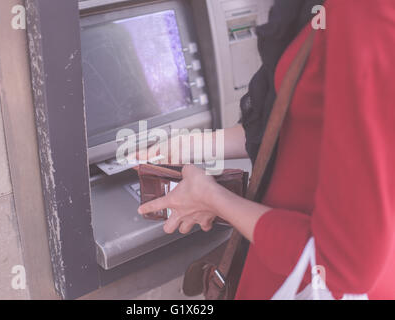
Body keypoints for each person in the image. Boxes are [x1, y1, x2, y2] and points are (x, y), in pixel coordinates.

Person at [136, 0, 395, 299]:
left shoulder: (367, 12)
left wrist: (212, 198)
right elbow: (301, 129)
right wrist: (190, 144)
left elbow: (344, 267)